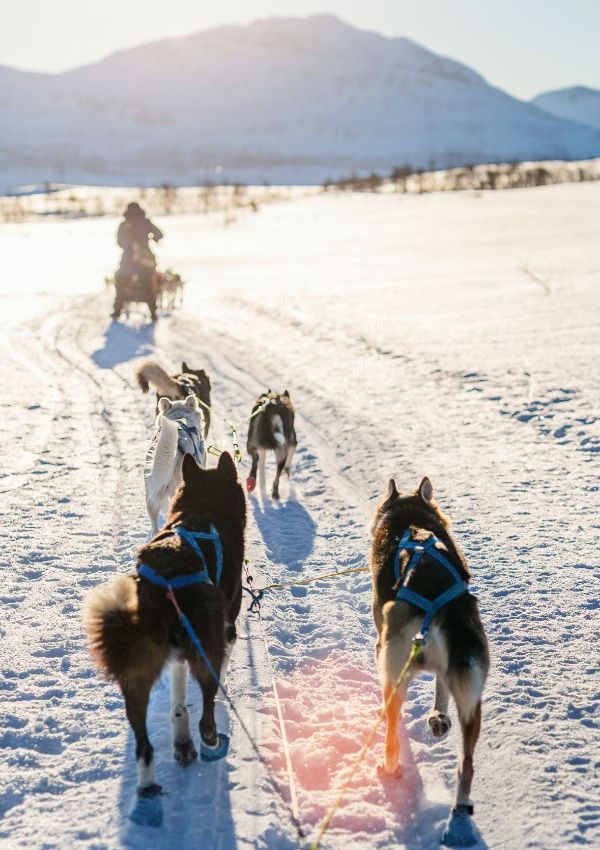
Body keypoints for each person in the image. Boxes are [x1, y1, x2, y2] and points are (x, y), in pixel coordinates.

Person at [113, 202, 163, 320]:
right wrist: (150, 237)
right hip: (146, 262)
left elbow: (119, 243)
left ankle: (117, 309)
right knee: (149, 284)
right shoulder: (146, 222)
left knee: (120, 281)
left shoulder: (124, 224)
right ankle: (153, 312)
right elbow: (159, 235)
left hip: (127, 263)